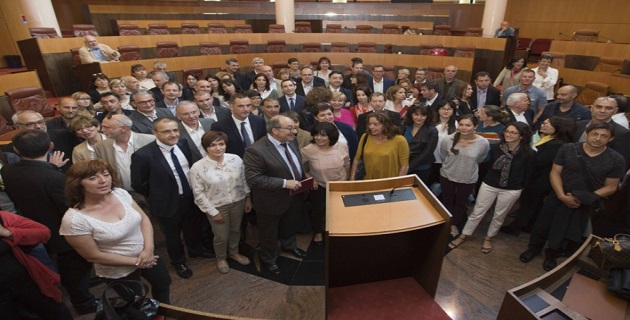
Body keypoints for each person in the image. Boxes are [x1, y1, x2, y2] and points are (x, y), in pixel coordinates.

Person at [1, 130, 97, 314]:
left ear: (16, 149)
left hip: (31, 225)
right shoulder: (55, 177)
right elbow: (69, 207)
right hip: (62, 231)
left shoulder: (8, 170)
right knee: (75, 268)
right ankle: (84, 303)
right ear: (51, 146)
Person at [60, 160, 171, 303]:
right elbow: (94, 256)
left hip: (146, 253)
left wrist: (149, 250)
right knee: (135, 301)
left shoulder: (120, 193)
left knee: (163, 283)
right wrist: (137, 262)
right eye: (92, 178)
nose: (103, 181)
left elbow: (144, 219)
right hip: (118, 268)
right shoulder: (74, 220)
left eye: (106, 175)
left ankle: (163, 314)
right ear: (78, 184)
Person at [519, 122, 625, 271]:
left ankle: (552, 254)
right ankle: (534, 248)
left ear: (610, 139)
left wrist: (585, 197)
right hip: (558, 194)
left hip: (583, 200)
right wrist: (562, 195)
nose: (598, 138)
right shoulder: (568, 149)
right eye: (595, 134)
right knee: (542, 225)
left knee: (564, 230)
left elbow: (611, 186)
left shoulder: (616, 159)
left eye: (604, 136)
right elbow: (555, 172)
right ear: (587, 134)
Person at [131, 118, 213, 279]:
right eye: (167, 131)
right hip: (166, 203)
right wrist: (158, 194)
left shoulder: (182, 144)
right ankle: (178, 262)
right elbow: (138, 183)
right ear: (155, 133)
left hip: (189, 198)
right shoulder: (143, 155)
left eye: (175, 130)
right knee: (172, 235)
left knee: (192, 227)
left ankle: (195, 250)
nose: (173, 134)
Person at [449, 122, 534, 253]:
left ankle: (489, 238)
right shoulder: (496, 148)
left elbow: (528, 174)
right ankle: (464, 235)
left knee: (499, 215)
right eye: (507, 131)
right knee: (477, 212)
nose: (508, 134)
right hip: (490, 184)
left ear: (522, 136)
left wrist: (520, 189)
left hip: (512, 189)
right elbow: (487, 166)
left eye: (513, 133)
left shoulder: (528, 153)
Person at [243, 115, 308, 275]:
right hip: (270, 201)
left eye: (294, 127)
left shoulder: (291, 140)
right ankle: (269, 259)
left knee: (290, 224)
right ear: (275, 131)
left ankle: (289, 245)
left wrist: (304, 178)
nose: (294, 131)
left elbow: (295, 163)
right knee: (269, 233)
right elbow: (254, 179)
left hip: (295, 196)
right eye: (290, 128)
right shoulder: (256, 150)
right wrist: (285, 183)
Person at [501, 117, 576, 236]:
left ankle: (515, 227)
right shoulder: (543, 138)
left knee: (529, 204)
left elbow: (539, 161)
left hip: (540, 180)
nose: (543, 125)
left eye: (547, 124)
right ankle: (528, 225)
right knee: (534, 204)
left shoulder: (558, 144)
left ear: (558, 127)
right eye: (543, 123)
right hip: (533, 177)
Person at [190, 131, 252, 274]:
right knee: (221, 235)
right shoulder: (198, 167)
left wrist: (248, 198)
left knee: (236, 230)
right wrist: (213, 212)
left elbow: (243, 180)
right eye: (212, 145)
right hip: (217, 206)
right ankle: (221, 258)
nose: (218, 148)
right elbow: (198, 193)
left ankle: (234, 252)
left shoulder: (235, 159)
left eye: (221, 144)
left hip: (238, 201)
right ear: (206, 147)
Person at [0, 211, 72, 320]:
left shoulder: (3, 218)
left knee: (54, 311)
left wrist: (7, 233)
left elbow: (43, 232)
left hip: (27, 283)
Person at [439, 114, 490, 237]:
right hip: (447, 175)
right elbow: (443, 155)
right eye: (461, 124)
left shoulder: (483, 142)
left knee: (461, 203)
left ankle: (454, 223)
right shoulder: (448, 139)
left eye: (468, 125)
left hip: (468, 177)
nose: (464, 128)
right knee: (447, 200)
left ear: (475, 126)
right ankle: (445, 223)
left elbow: (481, 158)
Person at [301, 122, 349, 245]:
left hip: (340, 184)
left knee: (339, 210)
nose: (318, 138)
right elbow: (298, 166)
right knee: (318, 210)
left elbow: (346, 164)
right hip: (320, 186)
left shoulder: (342, 146)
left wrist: (349, 180)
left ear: (331, 137)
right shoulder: (308, 150)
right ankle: (318, 232)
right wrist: (310, 178)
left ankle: (338, 230)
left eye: (323, 135)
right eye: (316, 135)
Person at [94, 114, 155, 192]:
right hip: (121, 194)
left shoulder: (150, 141)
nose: (102, 130)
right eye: (102, 126)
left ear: (123, 128)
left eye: (107, 127)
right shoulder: (101, 147)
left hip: (150, 192)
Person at [350, 111, 409, 180]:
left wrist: (397, 184)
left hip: (389, 183)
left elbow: (404, 166)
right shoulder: (365, 137)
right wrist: (352, 177)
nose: (371, 127)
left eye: (375, 124)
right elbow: (357, 159)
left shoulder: (400, 140)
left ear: (386, 125)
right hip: (367, 182)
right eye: (370, 124)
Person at [211, 93, 266, 158]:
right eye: (241, 106)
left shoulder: (259, 121)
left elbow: (264, 142)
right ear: (231, 107)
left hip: (258, 160)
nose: (246, 109)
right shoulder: (219, 126)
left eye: (248, 105)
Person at [402, 104, 438, 184]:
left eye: (423, 115)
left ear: (428, 116)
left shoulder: (432, 130)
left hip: (421, 168)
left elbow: (427, 153)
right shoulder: (404, 126)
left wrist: (408, 167)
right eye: (416, 114)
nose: (419, 118)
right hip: (402, 165)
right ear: (411, 114)